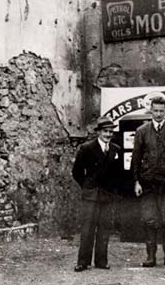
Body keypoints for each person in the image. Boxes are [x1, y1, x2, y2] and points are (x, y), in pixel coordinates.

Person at [131, 95, 165, 268]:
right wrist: (136, 181)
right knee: (150, 219)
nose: (158, 114)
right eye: (155, 111)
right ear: (151, 111)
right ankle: (151, 257)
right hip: (148, 184)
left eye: (161, 111)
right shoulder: (142, 131)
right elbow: (136, 158)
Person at [71, 116, 122, 272]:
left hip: (107, 196)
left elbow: (118, 174)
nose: (108, 134)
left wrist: (112, 190)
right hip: (91, 196)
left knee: (104, 228)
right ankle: (83, 262)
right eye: (105, 131)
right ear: (98, 132)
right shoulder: (87, 148)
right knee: (87, 229)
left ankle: (101, 261)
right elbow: (77, 172)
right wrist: (87, 187)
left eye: (110, 132)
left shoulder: (115, 150)